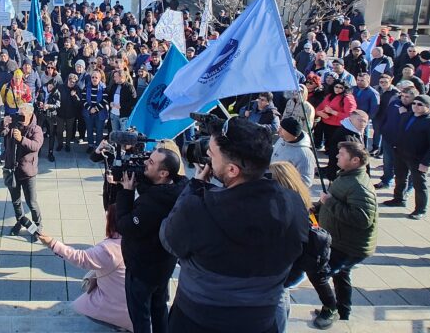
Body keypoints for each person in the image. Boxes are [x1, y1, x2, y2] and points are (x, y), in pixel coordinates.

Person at [160, 118, 309, 333]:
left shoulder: (198, 208)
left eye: (211, 152)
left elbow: (169, 239)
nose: (207, 156)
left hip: (197, 320)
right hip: (260, 321)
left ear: (232, 170)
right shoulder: (294, 204)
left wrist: (195, 187)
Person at [115, 147, 185, 333]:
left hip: (142, 269)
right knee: (160, 308)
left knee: (140, 316)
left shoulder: (153, 202)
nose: (146, 163)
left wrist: (126, 192)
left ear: (163, 173)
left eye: (151, 163)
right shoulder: (179, 190)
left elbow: (124, 226)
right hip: (163, 265)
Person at [313, 141, 379, 328]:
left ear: (355, 160)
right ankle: (343, 311)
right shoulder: (346, 177)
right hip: (340, 239)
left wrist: (330, 203)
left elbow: (362, 219)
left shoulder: (359, 186)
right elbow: (334, 197)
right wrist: (318, 206)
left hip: (350, 246)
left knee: (320, 274)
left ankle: (331, 309)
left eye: (341, 154)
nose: (336, 157)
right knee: (340, 276)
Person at [37, 204, 131, 332]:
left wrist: (52, 243)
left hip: (121, 310)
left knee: (85, 303)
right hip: (142, 305)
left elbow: (79, 258)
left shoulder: (108, 250)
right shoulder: (143, 241)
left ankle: (119, 326)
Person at [382, 94, 430, 220]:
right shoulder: (407, 115)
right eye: (414, 103)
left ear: (427, 107)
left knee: (419, 184)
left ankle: (420, 209)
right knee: (400, 178)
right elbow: (400, 132)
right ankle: (399, 199)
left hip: (418, 158)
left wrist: (426, 163)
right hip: (401, 153)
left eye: (420, 104)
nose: (416, 106)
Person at [0, 104, 45, 237]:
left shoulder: (36, 129)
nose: (20, 118)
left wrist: (21, 139)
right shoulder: (13, 124)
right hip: (12, 170)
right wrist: (3, 123)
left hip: (28, 172)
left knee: (31, 202)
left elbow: (36, 146)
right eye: (18, 114)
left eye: (22, 115)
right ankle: (21, 221)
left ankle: (38, 225)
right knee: (16, 201)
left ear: (29, 115)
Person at [271, 117, 317, 188]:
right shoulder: (281, 139)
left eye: (282, 129)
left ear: (291, 132)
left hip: (285, 191)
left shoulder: (305, 154)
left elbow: (306, 181)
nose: (278, 130)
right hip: (272, 184)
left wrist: (284, 183)